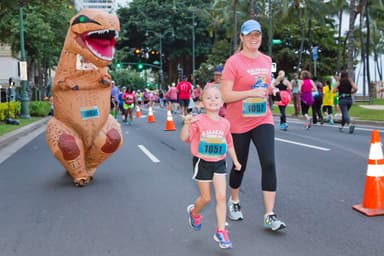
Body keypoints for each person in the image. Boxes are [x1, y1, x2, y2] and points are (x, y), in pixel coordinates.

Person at [220, 19, 286, 231]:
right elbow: (225, 95)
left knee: (269, 162)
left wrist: (272, 91)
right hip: (238, 122)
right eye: (250, 35)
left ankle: (269, 214)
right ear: (242, 38)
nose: (254, 38)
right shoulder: (233, 63)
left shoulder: (266, 60)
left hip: (262, 118)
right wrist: (249, 93)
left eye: (257, 34)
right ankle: (235, 200)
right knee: (240, 165)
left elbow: (265, 86)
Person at [180, 85, 241, 249]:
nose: (213, 100)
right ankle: (194, 212)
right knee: (206, 198)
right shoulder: (198, 120)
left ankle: (221, 231)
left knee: (221, 197)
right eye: (208, 97)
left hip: (219, 162)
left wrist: (235, 160)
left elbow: (229, 143)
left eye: (216, 97)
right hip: (203, 163)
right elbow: (185, 138)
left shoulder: (225, 123)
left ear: (222, 102)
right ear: (201, 103)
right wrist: (186, 124)